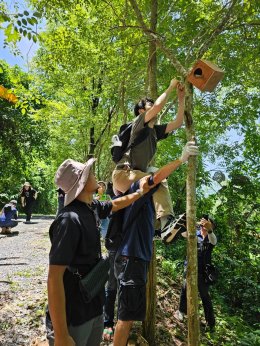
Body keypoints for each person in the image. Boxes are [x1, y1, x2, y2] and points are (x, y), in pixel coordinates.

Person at [47, 157, 154, 346]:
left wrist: (139, 192)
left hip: (94, 304)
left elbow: (116, 204)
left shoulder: (92, 207)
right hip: (74, 314)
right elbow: (54, 278)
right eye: (89, 173)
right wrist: (62, 335)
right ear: (81, 183)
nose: (94, 175)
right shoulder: (69, 220)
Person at [113, 141, 199, 346]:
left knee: (130, 316)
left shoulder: (148, 205)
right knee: (125, 319)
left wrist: (179, 232)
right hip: (131, 258)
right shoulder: (138, 188)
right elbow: (158, 177)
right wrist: (181, 159)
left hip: (138, 259)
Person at [112, 78, 185, 240]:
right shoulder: (138, 124)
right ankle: (166, 224)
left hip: (135, 176)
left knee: (154, 182)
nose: (154, 108)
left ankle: (156, 229)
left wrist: (181, 98)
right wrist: (171, 86)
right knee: (158, 178)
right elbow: (159, 106)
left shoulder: (155, 131)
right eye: (149, 105)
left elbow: (178, 122)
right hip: (124, 174)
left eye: (153, 105)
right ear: (141, 111)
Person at [174, 215, 217, 332]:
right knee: (185, 288)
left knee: (205, 296)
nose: (204, 225)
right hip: (190, 268)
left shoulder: (211, 237)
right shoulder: (194, 233)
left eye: (208, 224)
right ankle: (181, 312)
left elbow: (213, 240)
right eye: (204, 223)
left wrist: (209, 229)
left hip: (203, 272)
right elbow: (183, 233)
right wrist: (190, 224)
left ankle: (210, 323)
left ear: (212, 226)